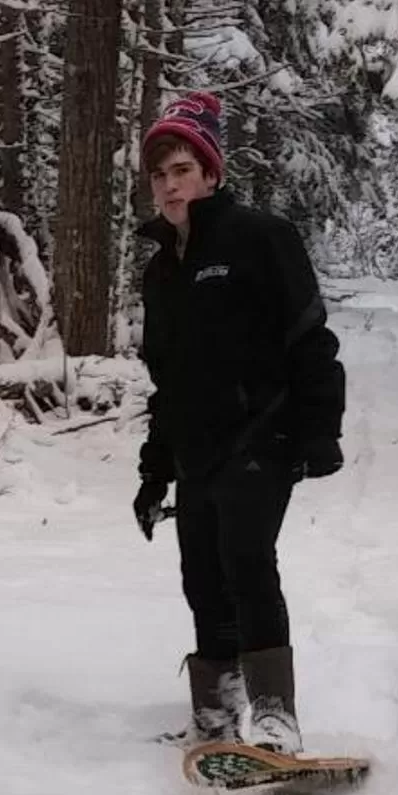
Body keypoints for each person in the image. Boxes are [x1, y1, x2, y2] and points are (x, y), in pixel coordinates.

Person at [130, 91, 346, 755]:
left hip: (264, 433)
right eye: (159, 175)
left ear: (211, 174)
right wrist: (155, 472)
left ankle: (275, 716)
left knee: (246, 560)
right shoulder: (160, 271)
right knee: (201, 574)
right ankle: (216, 716)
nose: (170, 186)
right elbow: (168, 382)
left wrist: (319, 429)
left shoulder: (260, 237)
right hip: (197, 448)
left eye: (182, 171)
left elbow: (310, 336)